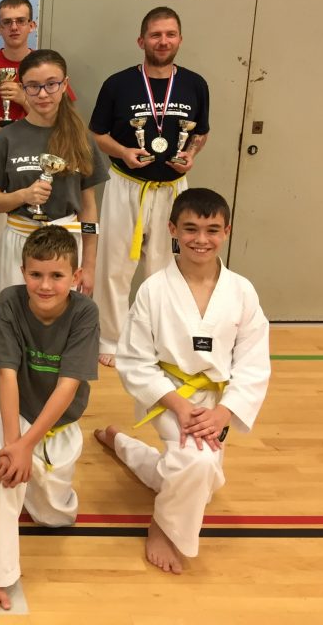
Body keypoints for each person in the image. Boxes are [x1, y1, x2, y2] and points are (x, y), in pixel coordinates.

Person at [94, 188, 269, 574]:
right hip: (168, 395)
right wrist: (179, 405)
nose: (201, 240)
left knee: (192, 473)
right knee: (198, 464)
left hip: (219, 400)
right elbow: (135, 360)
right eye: (190, 229)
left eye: (212, 230)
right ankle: (165, 527)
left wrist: (224, 412)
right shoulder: (154, 290)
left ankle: (119, 441)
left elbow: (254, 363)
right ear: (172, 228)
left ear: (226, 231)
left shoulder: (242, 291)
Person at [0, 226, 99, 611]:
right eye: (36, 274)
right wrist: (13, 446)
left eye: (57, 276)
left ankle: (116, 441)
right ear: (22, 271)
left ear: (75, 278)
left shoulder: (85, 312)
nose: (45, 285)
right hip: (13, 410)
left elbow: (68, 386)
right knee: (6, 477)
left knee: (55, 516)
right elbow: (6, 375)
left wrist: (26, 445)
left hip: (58, 418)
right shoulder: (9, 302)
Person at [89, 6, 210, 365]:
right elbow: (98, 134)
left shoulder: (195, 84)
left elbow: (200, 133)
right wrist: (124, 151)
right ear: (142, 40)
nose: (163, 41)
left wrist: (191, 153)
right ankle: (110, 339)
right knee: (113, 266)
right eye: (156, 34)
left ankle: (158, 339)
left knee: (166, 267)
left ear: (180, 39)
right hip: (126, 185)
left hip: (173, 189)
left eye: (170, 34)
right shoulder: (118, 84)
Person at [0, 0, 75, 341]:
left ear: (32, 25)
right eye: (7, 22)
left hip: (37, 160)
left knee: (28, 242)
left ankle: (29, 324)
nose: (14, 27)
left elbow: (67, 114)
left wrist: (24, 99)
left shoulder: (44, 69)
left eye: (21, 20)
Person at [0, 49, 108, 295]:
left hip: (67, 244)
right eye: (33, 86)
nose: (42, 94)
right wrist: (23, 196)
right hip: (19, 240)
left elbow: (88, 206)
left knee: (59, 324)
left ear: (64, 85)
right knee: (17, 319)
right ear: (22, 88)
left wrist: (89, 266)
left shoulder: (81, 137)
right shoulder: (7, 137)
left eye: (51, 85)